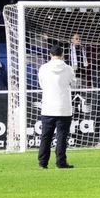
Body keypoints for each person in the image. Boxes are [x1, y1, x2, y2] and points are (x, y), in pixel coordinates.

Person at [36, 41, 75, 170]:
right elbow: (72, 83)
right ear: (62, 54)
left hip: (48, 107)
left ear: (50, 54)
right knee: (62, 136)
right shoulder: (68, 69)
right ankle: (61, 162)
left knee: (45, 136)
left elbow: (41, 84)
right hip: (64, 108)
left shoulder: (43, 68)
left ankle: (43, 162)